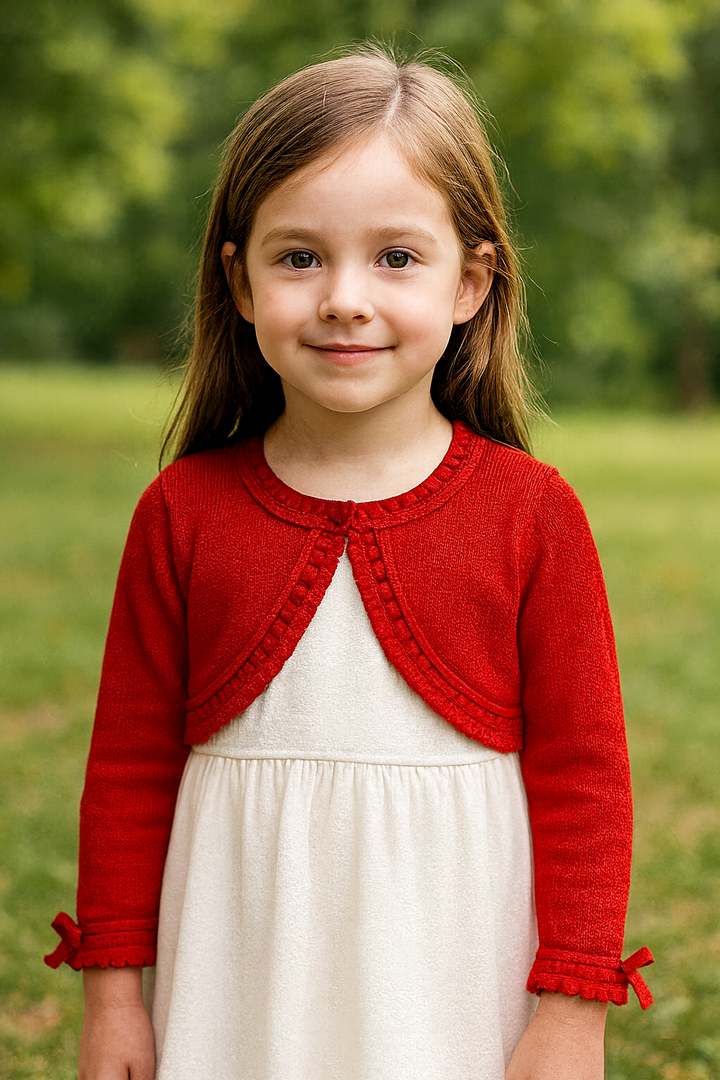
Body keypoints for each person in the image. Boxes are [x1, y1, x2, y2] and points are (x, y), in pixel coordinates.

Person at [45, 45, 653, 1080]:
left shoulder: (531, 514)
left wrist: (572, 1008)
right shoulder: (181, 512)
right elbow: (127, 771)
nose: (343, 298)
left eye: (396, 258)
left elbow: (587, 779)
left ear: (473, 281)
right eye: (298, 258)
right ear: (237, 280)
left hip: (452, 959)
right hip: (244, 963)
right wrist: (115, 1001)